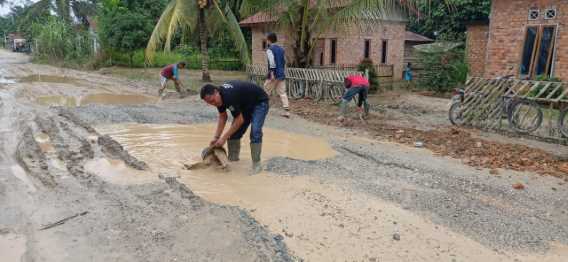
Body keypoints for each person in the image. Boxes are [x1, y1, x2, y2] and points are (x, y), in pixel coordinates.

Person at [200, 81, 270, 174]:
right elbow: (223, 116)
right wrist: (216, 137)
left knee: (255, 131)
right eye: (210, 103)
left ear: (216, 91)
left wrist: (223, 138)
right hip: (246, 105)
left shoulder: (228, 96)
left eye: (212, 101)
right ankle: (233, 160)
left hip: (259, 102)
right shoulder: (219, 99)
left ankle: (256, 164)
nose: (213, 104)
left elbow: (239, 120)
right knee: (234, 134)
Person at [263, 32, 290, 118]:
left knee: (266, 90)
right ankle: (287, 111)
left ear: (269, 40)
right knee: (282, 92)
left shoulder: (269, 49)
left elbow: (272, 62)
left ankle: (262, 109)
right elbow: (283, 61)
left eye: (267, 39)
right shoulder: (281, 49)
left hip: (273, 74)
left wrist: (271, 73)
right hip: (281, 74)